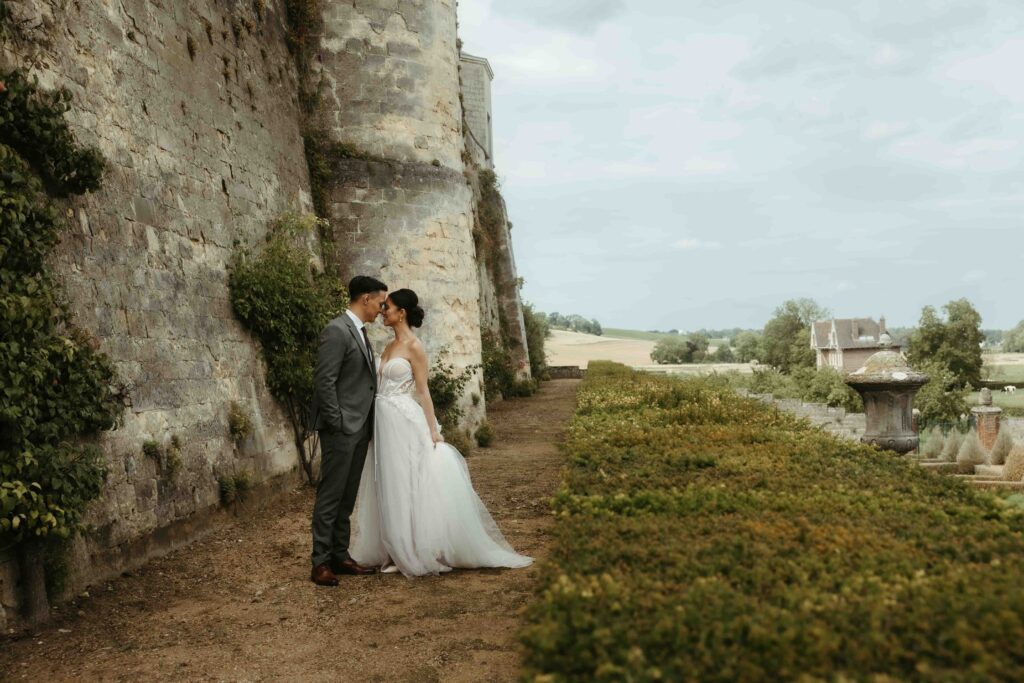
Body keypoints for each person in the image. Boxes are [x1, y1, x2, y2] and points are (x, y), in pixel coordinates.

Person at [349, 288, 532, 576]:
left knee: (406, 481)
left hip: (403, 420)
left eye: (388, 307)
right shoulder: (387, 346)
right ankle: (393, 547)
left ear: (402, 313)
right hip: (382, 420)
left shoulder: (414, 347)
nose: (383, 311)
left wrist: (433, 430)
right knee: (387, 481)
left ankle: (410, 549)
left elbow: (423, 392)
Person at [309, 275, 388, 587]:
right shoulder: (337, 330)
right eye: (380, 302)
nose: (382, 309)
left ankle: (340, 556)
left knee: (347, 496)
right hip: (341, 429)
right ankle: (320, 563)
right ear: (365, 298)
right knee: (331, 496)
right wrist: (338, 423)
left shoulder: (360, 332)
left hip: (359, 428)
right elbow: (324, 381)